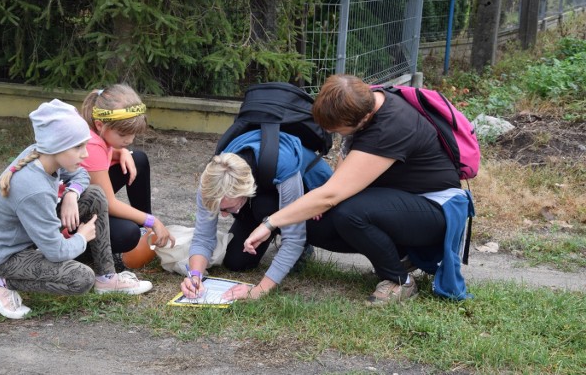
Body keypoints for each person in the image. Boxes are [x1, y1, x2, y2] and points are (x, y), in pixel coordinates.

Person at [243, 74, 471, 305]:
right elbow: (340, 177)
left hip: (434, 211)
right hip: (395, 203)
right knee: (319, 216)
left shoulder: (391, 126)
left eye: (341, 130)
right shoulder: (363, 103)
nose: (340, 135)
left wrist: (270, 223)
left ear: (363, 118)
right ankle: (399, 256)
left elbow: (331, 195)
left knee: (350, 212)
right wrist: (313, 204)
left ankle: (399, 279)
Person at [0, 99, 153, 320]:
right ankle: (1, 281)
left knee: (95, 194)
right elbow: (56, 252)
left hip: (29, 240)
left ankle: (107, 277)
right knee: (80, 279)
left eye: (85, 145)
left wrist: (71, 194)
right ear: (56, 146)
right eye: (78, 147)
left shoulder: (43, 155)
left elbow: (82, 175)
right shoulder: (34, 189)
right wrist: (81, 237)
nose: (85, 154)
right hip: (5, 257)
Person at [180, 130, 333, 300]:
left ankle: (296, 242)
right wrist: (195, 276)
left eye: (228, 209)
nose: (223, 216)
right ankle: (265, 226)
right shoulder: (210, 182)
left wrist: (259, 290)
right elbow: (203, 237)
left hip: (308, 192)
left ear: (246, 192)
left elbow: (294, 238)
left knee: (264, 207)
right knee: (237, 262)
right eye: (219, 209)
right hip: (260, 192)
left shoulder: (283, 166)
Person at [80, 84, 174, 268]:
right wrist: (152, 220)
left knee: (136, 159)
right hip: (68, 217)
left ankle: (145, 231)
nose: (129, 140)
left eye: (133, 135)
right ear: (100, 125)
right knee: (126, 234)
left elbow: (101, 161)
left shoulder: (98, 132)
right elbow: (109, 203)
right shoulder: (91, 146)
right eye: (123, 134)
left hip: (85, 200)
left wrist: (120, 152)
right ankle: (80, 251)